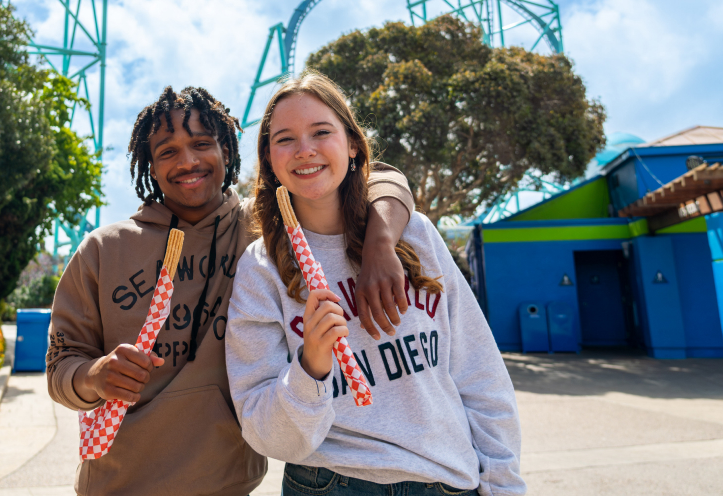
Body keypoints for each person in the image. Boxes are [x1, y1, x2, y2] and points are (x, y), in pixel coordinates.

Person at [45, 85, 418, 496]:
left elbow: (380, 175)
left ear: (227, 151)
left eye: (202, 144)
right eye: (167, 151)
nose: (187, 161)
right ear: (150, 166)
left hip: (229, 484)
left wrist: (380, 244)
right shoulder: (103, 249)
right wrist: (95, 377)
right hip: (119, 483)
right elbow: (61, 367)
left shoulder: (263, 227)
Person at [225, 72, 525, 496]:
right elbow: (266, 433)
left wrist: (503, 484)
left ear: (352, 144)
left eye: (321, 131)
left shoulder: (413, 233)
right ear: (269, 159)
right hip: (329, 483)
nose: (305, 149)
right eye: (285, 138)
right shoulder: (261, 271)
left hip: (446, 479)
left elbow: (479, 373)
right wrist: (310, 367)